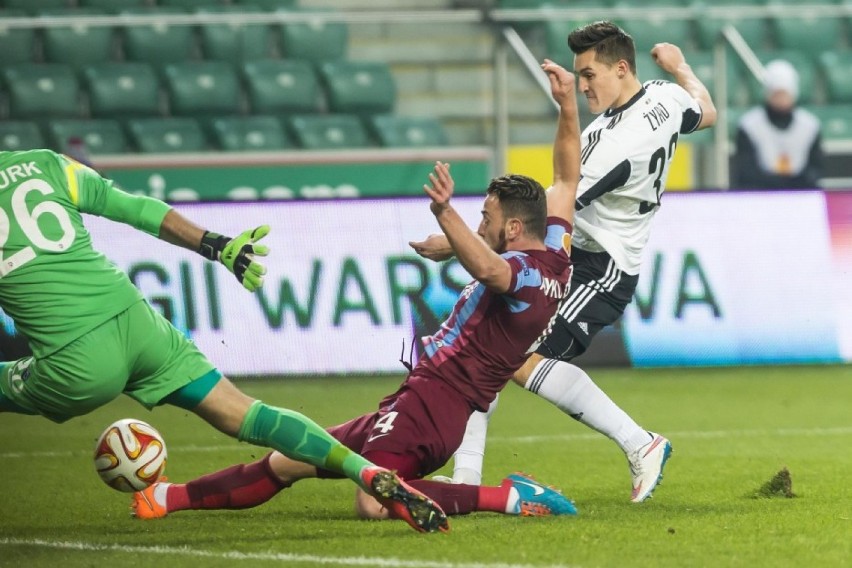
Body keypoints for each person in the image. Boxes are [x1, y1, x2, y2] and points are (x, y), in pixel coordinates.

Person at [130, 58, 582, 523]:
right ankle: (167, 497)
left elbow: (491, 270)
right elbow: (567, 176)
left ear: (511, 226)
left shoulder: (520, 276)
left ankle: (506, 497)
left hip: (437, 405)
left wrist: (445, 213)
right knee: (291, 458)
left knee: (373, 501)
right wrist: (567, 104)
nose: (479, 223)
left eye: (485, 218)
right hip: (422, 398)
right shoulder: (555, 251)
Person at [0, 149, 447, 534]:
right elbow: (137, 209)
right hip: (137, 324)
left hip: (77, 362)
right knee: (245, 413)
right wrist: (216, 245)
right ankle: (363, 469)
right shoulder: (44, 164)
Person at [413, 21, 717, 503]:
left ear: (620, 68)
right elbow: (706, 109)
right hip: (577, 260)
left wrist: (456, 241)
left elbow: (550, 208)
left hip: (601, 268)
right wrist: (679, 66)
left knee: (520, 357)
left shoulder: (620, 145)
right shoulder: (664, 95)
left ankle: (642, 442)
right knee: (485, 347)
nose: (584, 84)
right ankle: (466, 477)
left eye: (590, 74)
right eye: (579, 75)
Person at [732, 59, 823, 190]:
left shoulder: (810, 126)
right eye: (776, 94)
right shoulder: (749, 125)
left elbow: (815, 170)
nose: (781, 100)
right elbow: (746, 171)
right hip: (760, 194)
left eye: (784, 94)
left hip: (800, 194)